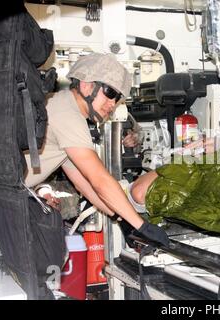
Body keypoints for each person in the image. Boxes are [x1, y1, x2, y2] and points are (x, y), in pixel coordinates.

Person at [24, 53, 170, 249]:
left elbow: (85, 184)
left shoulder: (64, 106)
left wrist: (122, 220)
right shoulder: (68, 114)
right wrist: (142, 226)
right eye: (109, 92)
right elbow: (99, 180)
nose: (113, 103)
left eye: (118, 98)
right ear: (86, 85)